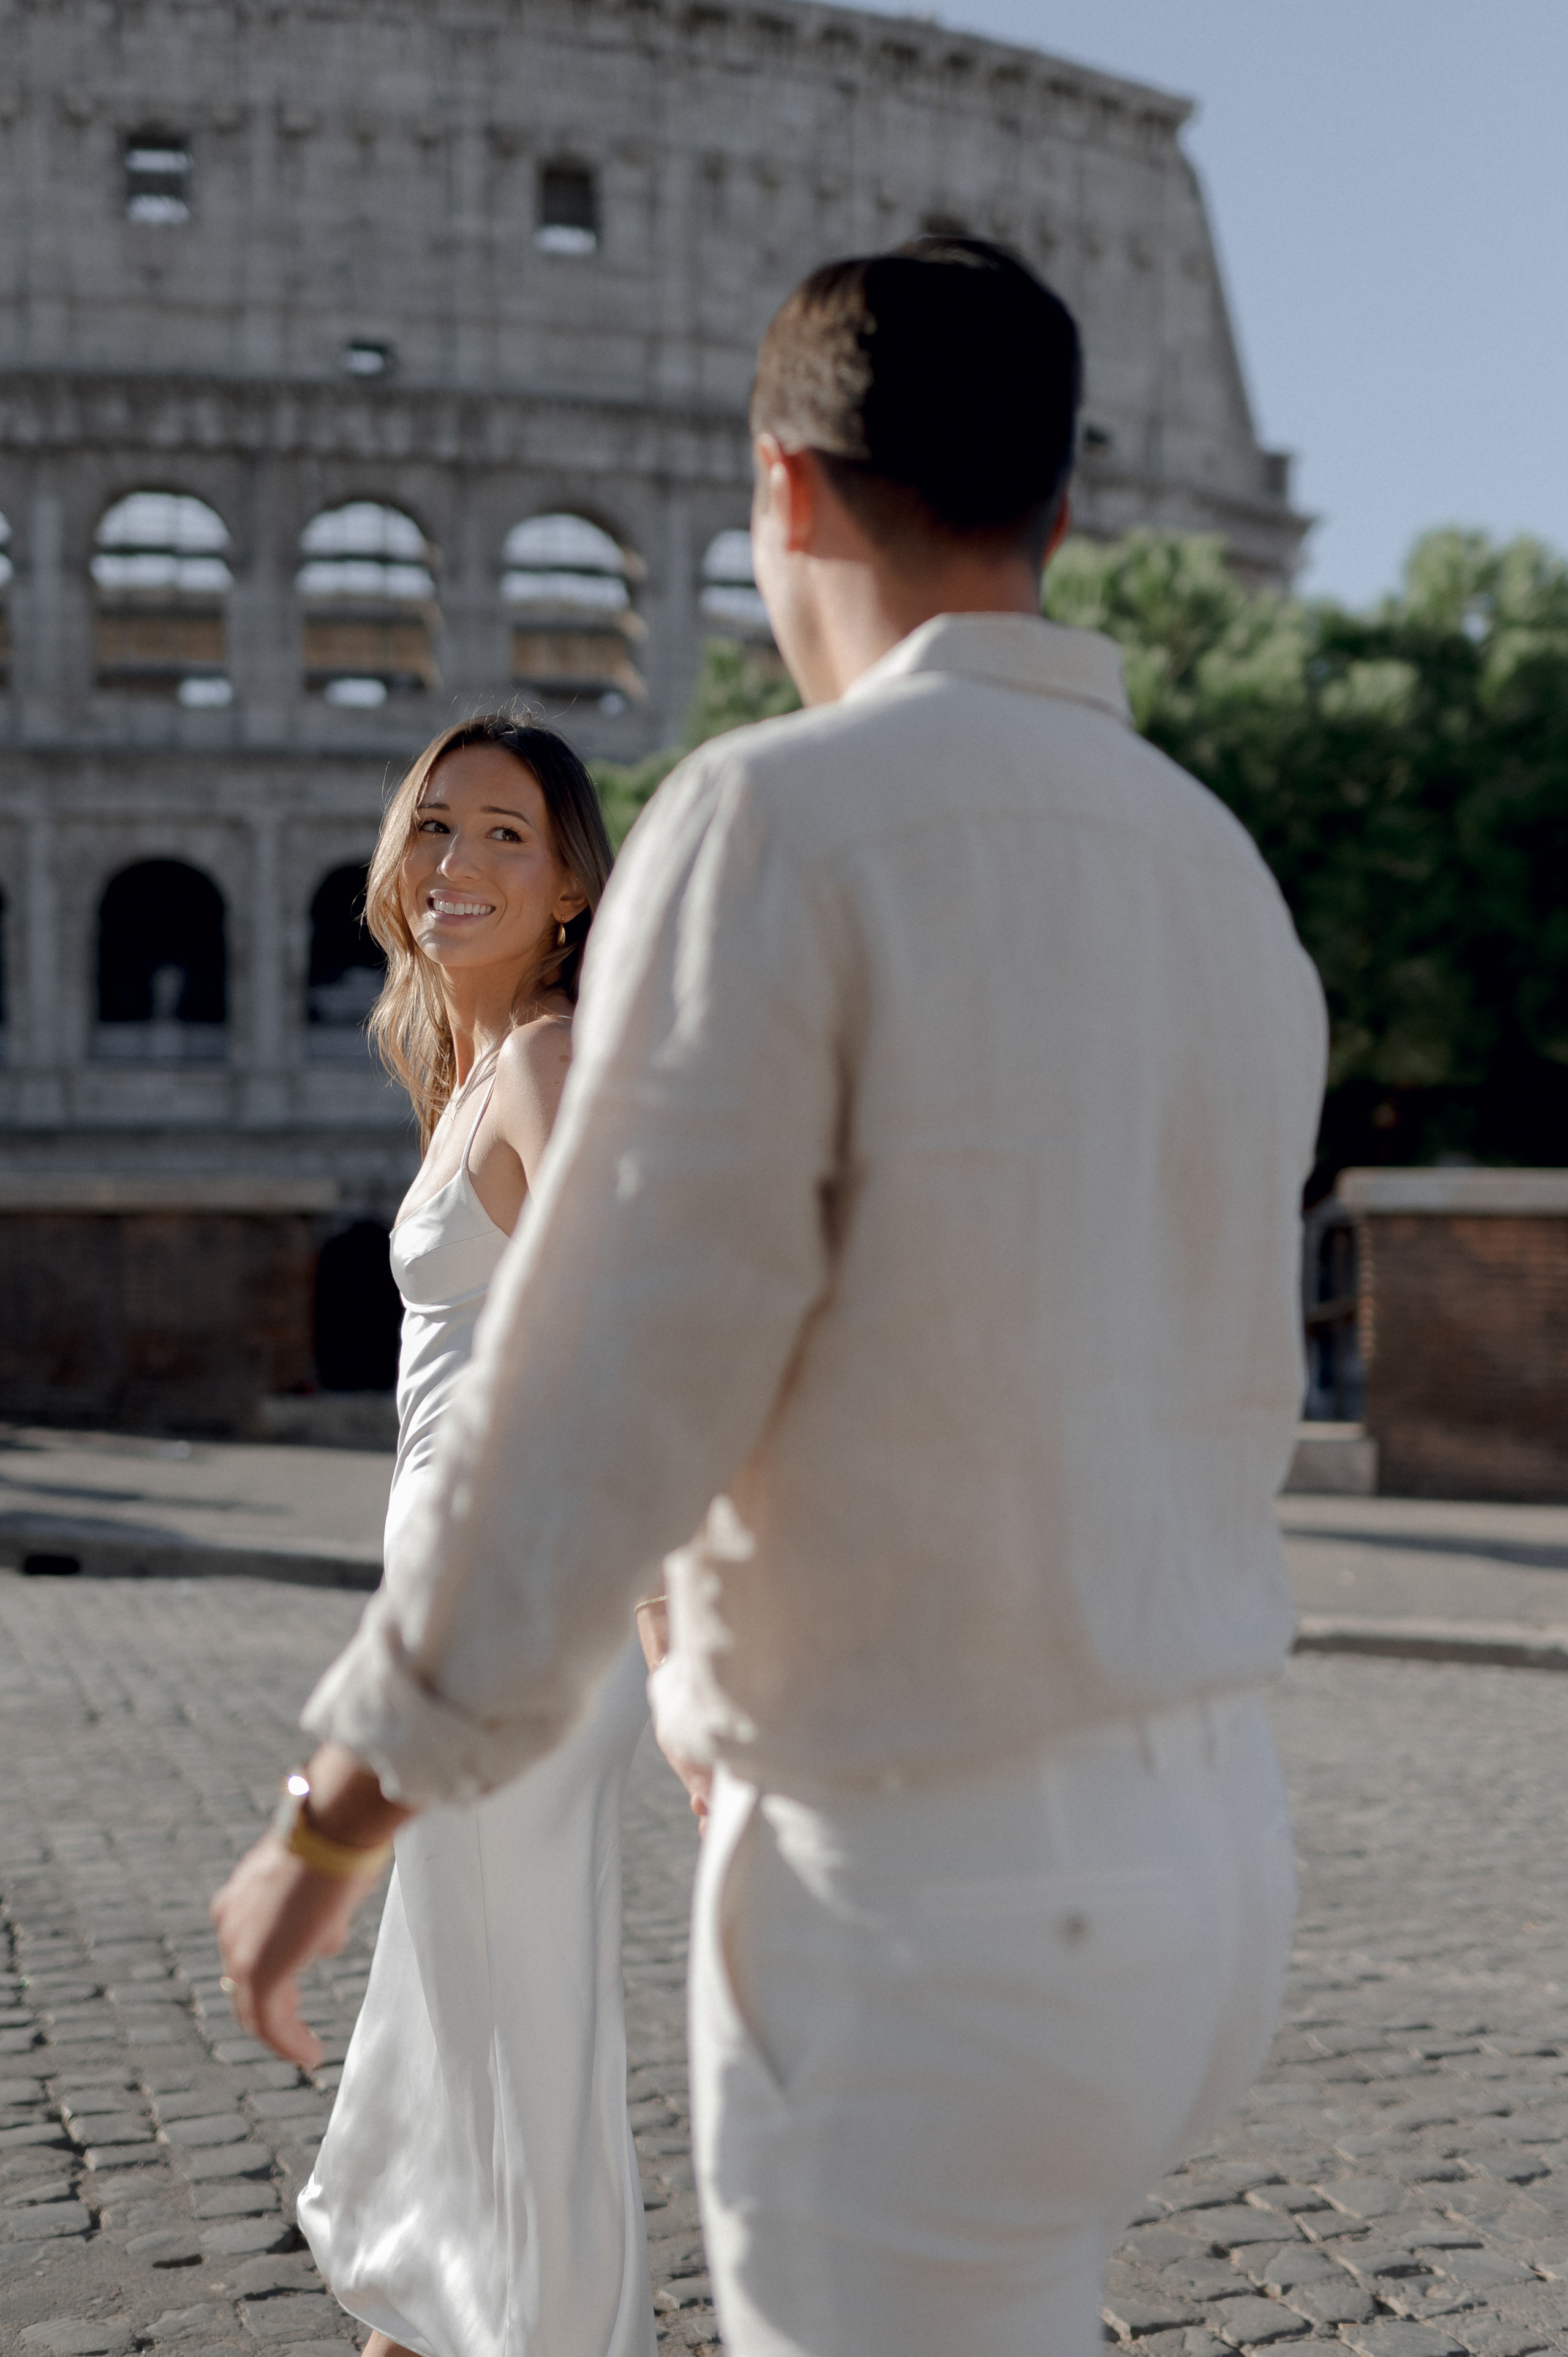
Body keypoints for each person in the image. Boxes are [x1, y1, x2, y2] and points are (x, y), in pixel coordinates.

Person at [214, 239, 1328, 2357]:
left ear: (785, 498)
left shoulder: (772, 821)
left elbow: (595, 1395)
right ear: (1065, 514)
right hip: (1211, 1859)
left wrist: (332, 1813)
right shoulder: (1216, 866)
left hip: (928, 1869)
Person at [285, 714, 655, 2357]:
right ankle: (441, 2319)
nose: (461, 862)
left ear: (573, 880)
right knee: (465, 1985)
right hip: (457, 1591)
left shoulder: (560, 1058)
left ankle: (536, 2331)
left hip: (524, 1609)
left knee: (517, 2001)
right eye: (438, 826)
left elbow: (629, 1332)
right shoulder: (480, 1065)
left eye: (509, 834)